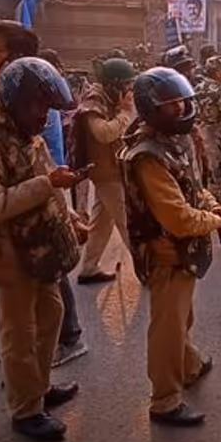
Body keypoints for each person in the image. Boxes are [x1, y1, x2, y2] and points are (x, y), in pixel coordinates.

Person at [0, 57, 87, 442]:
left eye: (47, 108)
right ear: (16, 99)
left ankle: (37, 386)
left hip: (40, 245)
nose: (43, 116)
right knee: (19, 331)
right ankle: (25, 409)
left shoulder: (22, 128)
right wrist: (47, 184)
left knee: (51, 314)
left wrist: (72, 221)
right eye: (38, 106)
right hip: (8, 251)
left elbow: (46, 180)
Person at [121, 67, 221, 427]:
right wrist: (215, 220)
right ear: (152, 109)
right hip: (166, 252)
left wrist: (210, 203)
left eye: (183, 101)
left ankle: (189, 365)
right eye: (172, 105)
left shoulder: (169, 142)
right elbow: (179, 219)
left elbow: (189, 185)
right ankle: (165, 399)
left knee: (183, 316)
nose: (183, 109)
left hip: (183, 252)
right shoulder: (147, 156)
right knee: (168, 326)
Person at [76, 57, 139, 284]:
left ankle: (89, 268)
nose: (130, 89)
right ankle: (147, 270)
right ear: (114, 84)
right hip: (105, 171)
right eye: (127, 84)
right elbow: (103, 134)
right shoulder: (94, 100)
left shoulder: (108, 97)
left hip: (113, 168)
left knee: (102, 221)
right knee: (128, 221)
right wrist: (125, 113)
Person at [193, 55, 221, 204]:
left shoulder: (196, 88)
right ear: (218, 72)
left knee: (200, 178)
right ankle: (216, 217)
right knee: (218, 181)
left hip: (197, 136)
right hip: (214, 138)